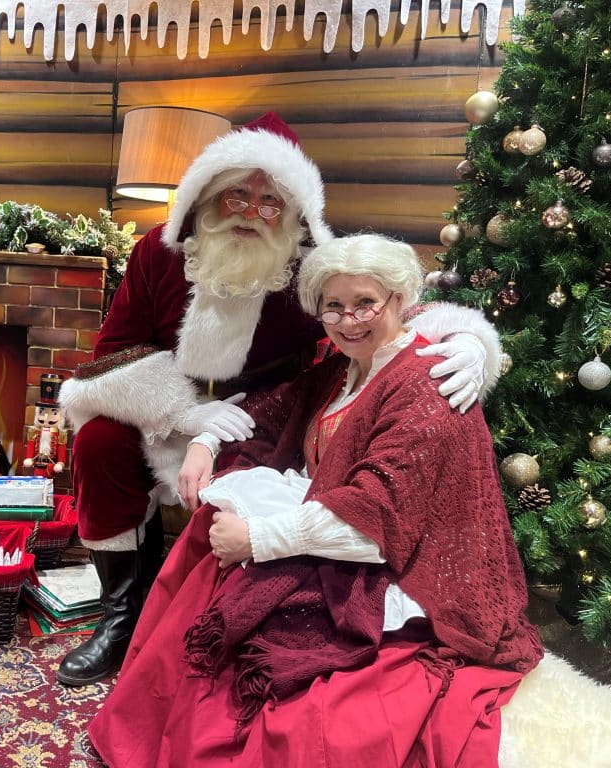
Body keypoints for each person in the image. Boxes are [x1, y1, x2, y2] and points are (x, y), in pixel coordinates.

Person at [56, 112, 504, 687]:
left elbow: (380, 309)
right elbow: (113, 351)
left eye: (270, 202)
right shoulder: (159, 252)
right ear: (208, 193)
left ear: (293, 209)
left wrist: (466, 337)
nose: (250, 212)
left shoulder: (308, 264)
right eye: (237, 195)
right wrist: (183, 413)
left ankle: (187, 615)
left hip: (263, 417)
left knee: (237, 485)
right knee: (97, 441)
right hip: (163, 409)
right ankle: (120, 615)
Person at [87, 233, 544, 767]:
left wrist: (258, 538)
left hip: (396, 562)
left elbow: (379, 520)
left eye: (365, 303)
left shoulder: (424, 385)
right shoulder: (347, 366)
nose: (349, 321)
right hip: (341, 530)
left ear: (399, 300)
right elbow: (274, 408)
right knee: (216, 532)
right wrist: (205, 440)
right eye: (334, 306)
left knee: (300, 700)